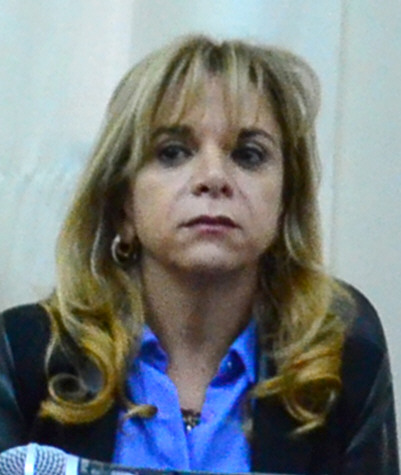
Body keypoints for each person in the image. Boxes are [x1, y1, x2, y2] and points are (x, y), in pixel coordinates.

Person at [0, 35, 398, 474]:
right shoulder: (24, 355)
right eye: (173, 152)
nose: (213, 177)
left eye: (248, 155)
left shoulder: (342, 354)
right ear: (123, 203)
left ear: (285, 203)